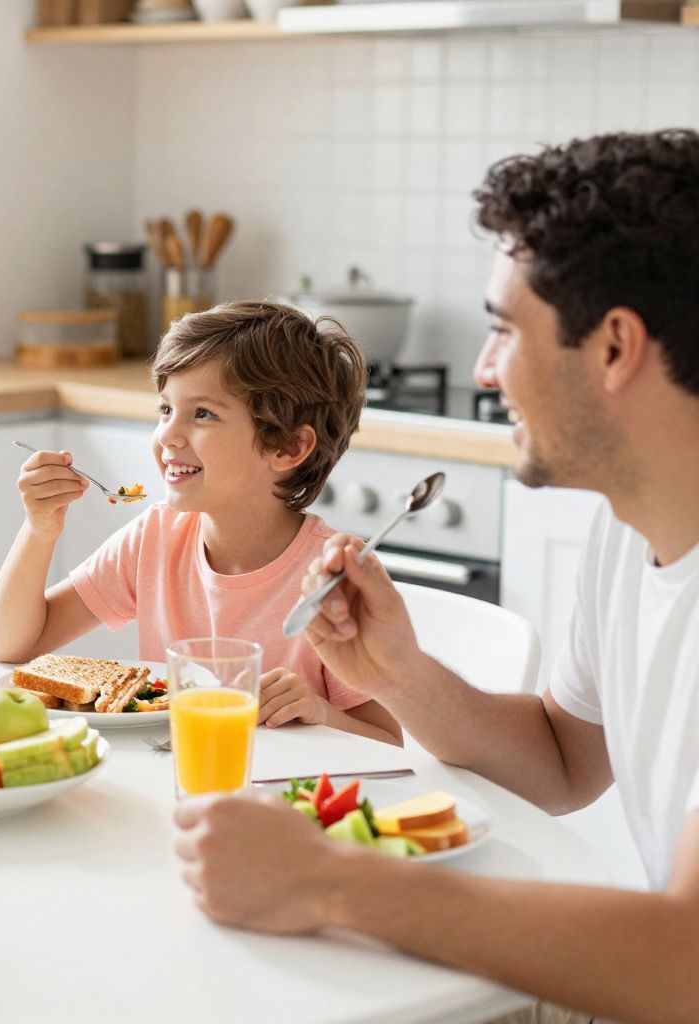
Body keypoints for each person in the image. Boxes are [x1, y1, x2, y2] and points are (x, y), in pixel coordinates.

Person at [174, 130, 699, 1023]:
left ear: (615, 347)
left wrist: (328, 885)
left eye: (501, 331)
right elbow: (566, 763)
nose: (487, 373)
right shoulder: (628, 529)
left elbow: (685, 963)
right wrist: (396, 676)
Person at [0, 302, 402, 744]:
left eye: (203, 413)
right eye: (166, 410)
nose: (168, 435)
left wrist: (319, 711)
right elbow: (11, 645)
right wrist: (40, 530)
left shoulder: (334, 577)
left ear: (287, 446)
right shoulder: (156, 539)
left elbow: (390, 740)